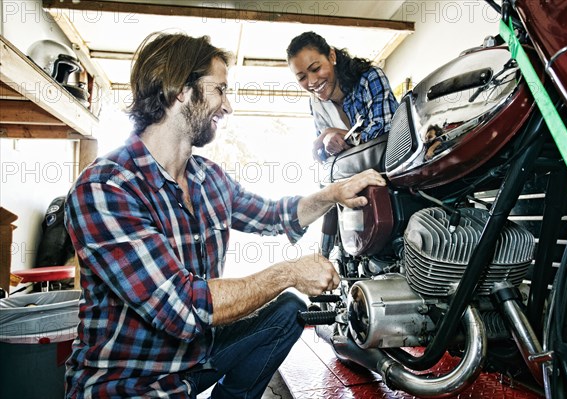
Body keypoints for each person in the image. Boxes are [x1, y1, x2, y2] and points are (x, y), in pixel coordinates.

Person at [63, 32, 386, 398]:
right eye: (219, 89)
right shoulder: (106, 187)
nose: (228, 105)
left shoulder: (207, 178)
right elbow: (182, 308)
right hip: (132, 383)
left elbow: (275, 215)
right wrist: (291, 272)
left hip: (195, 357)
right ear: (181, 89)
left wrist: (333, 193)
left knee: (289, 312)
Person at [287, 31, 399, 162]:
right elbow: (323, 156)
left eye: (316, 68)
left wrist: (334, 134)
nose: (312, 82)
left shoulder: (370, 78)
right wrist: (328, 140)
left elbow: (386, 133)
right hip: (358, 178)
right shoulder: (316, 104)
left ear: (332, 56)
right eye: (302, 77)